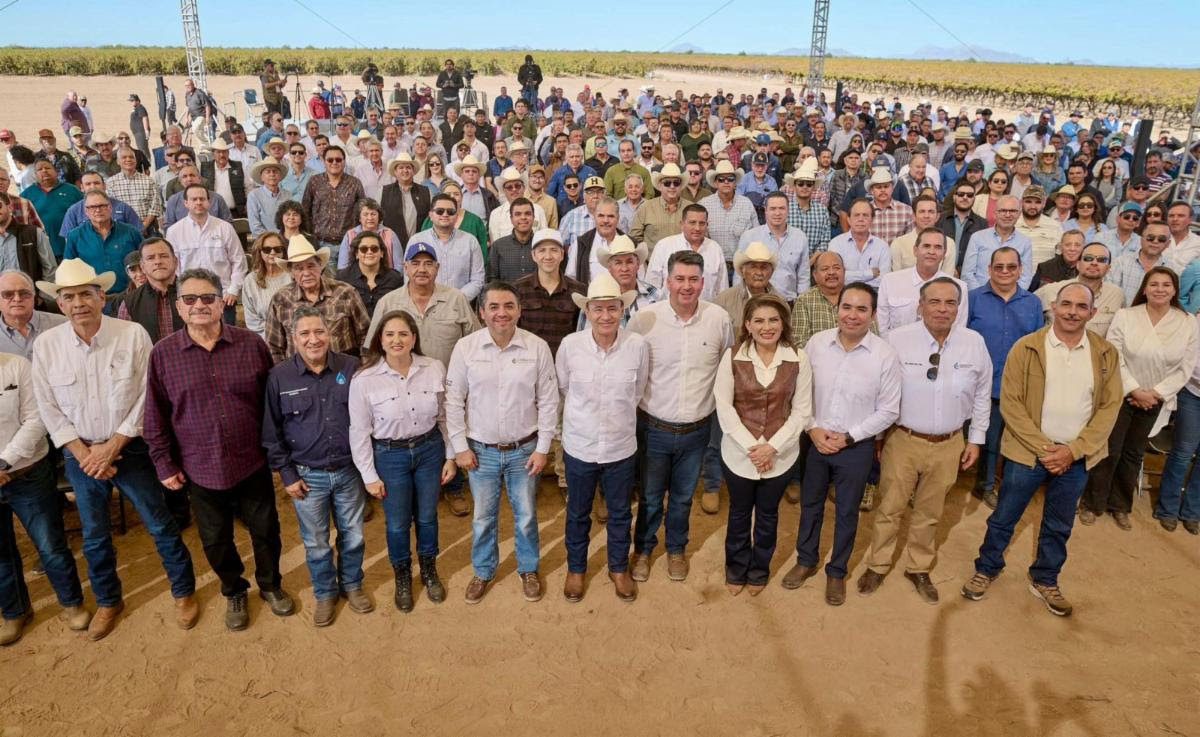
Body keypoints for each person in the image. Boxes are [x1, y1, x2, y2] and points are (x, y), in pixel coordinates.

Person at [31, 259, 198, 640]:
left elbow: (145, 396)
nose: (78, 304)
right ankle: (108, 600)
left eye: (86, 295)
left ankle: (183, 591)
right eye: (69, 297)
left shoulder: (132, 334)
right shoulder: (47, 346)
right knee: (94, 534)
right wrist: (85, 453)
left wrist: (113, 446)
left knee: (160, 523)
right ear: (59, 304)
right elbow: (48, 407)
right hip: (81, 456)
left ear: (102, 296)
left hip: (130, 448)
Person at [144, 267, 292, 631]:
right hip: (200, 467)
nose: (199, 305)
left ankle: (271, 585)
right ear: (179, 307)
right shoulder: (163, 355)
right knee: (215, 540)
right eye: (190, 299)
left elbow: (272, 407)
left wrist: (278, 453)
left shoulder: (251, 344)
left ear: (222, 302)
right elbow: (155, 415)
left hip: (251, 461)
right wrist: (164, 463)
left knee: (266, 530)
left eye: (208, 298)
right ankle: (233, 589)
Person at [962, 282, 1121, 617]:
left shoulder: (1105, 353)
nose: (1072, 312)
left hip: (1076, 458)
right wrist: (1045, 448)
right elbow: (1011, 403)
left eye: (1081, 307)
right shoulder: (1027, 347)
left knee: (1059, 523)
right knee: (1005, 517)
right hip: (1027, 453)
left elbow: (1109, 407)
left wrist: (1074, 450)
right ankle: (987, 568)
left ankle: (1045, 578)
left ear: (1092, 313)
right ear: (1054, 307)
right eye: (1066, 304)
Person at [857, 278, 991, 603]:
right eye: (934, 302)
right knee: (890, 507)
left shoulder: (974, 342)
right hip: (903, 439)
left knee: (930, 511)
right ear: (920, 305)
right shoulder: (896, 340)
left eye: (949, 303)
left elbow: (983, 394)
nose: (942, 309)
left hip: (950, 443)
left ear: (958, 308)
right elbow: (880, 390)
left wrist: (975, 440)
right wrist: (877, 436)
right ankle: (878, 563)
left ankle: (918, 567)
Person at [781, 282, 901, 606]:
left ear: (873, 314)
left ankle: (837, 571)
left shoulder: (885, 355)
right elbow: (799, 392)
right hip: (816, 441)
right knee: (811, 504)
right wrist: (812, 429)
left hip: (856, 447)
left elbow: (889, 409)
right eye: (847, 307)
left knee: (848, 511)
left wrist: (849, 436)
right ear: (838, 309)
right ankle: (806, 560)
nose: (852, 315)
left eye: (862, 309)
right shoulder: (817, 345)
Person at [445, 281, 558, 604]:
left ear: (519, 310)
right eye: (493, 307)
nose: (501, 313)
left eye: (509, 306)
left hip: (525, 450)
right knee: (483, 517)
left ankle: (528, 568)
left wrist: (542, 448)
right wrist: (460, 448)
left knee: (525, 515)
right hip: (480, 452)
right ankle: (483, 570)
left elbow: (548, 400)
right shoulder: (466, 348)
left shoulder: (536, 347)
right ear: (481, 312)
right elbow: (453, 400)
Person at [627, 251, 734, 582]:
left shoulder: (718, 319)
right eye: (679, 279)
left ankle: (676, 550)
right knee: (649, 496)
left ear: (703, 282)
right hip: (653, 428)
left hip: (697, 430)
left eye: (693, 279)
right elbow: (630, 373)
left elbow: (727, 367)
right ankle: (643, 550)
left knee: (685, 497)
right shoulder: (645, 320)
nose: (686, 286)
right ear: (667, 281)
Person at [263, 307, 372, 626]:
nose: (314, 339)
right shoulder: (279, 377)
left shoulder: (352, 368)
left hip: (349, 471)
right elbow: (272, 433)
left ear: (331, 334)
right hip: (307, 477)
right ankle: (325, 592)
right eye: (305, 334)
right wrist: (287, 475)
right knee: (316, 542)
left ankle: (352, 585)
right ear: (293, 339)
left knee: (353, 535)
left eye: (320, 332)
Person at [350, 309, 456, 611]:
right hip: (389, 456)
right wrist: (369, 476)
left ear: (414, 338)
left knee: (427, 517)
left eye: (403, 334)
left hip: (429, 450)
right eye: (389, 334)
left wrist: (450, 456)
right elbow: (359, 432)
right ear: (380, 340)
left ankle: (429, 570)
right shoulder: (364, 379)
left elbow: (445, 415)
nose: (397, 340)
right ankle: (402, 576)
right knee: (397, 523)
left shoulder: (434, 367)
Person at [1080, 268, 1196, 530]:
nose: (1160, 289)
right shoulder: (1126, 315)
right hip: (1121, 394)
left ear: (1175, 290)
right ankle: (1092, 503)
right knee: (1109, 449)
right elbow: (1114, 353)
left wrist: (1155, 393)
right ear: (1144, 288)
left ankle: (1120, 506)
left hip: (1156, 398)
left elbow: (1186, 367)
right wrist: (1134, 389)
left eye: (1166, 285)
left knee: (1133, 453)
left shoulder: (1187, 322)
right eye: (1154, 284)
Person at [557, 274, 648, 602]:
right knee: (578, 511)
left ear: (623, 309)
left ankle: (618, 567)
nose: (606, 315)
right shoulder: (571, 346)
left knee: (621, 512)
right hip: (579, 445)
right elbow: (565, 389)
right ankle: (576, 568)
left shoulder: (637, 345)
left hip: (621, 447)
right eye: (598, 309)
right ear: (588, 312)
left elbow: (637, 392)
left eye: (613, 308)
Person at [715, 294, 813, 595]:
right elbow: (724, 405)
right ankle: (736, 569)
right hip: (738, 454)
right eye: (759, 320)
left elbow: (802, 411)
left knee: (768, 517)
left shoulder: (798, 357)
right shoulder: (733, 356)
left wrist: (772, 447)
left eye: (773, 319)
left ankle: (759, 571)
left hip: (780, 456)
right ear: (747, 324)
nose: (766, 326)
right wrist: (753, 448)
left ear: (783, 323)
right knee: (740, 514)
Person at [0, 348, 88, 645]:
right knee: (0, 554)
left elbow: (36, 420)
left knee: (50, 545)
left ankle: (71, 602)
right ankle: (14, 612)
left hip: (27, 474)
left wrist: (4, 463)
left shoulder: (17, 366)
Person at [967, 247, 1044, 508]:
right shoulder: (973, 299)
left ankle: (1001, 486)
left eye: (1011, 267)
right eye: (998, 266)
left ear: (1021, 270)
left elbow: (1038, 344)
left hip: (1016, 384)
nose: (1004, 272)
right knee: (986, 439)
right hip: (977, 383)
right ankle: (983, 484)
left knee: (1007, 440)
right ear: (989, 269)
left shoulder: (1033, 303)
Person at [265, 236, 370, 363]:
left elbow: (366, 336)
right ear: (291, 272)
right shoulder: (280, 299)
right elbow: (274, 347)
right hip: (298, 373)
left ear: (320, 266)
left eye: (311, 266)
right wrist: (286, 377)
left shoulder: (345, 292)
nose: (306, 273)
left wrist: (363, 369)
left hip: (342, 370)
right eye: (299, 268)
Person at [164, 185, 244, 324]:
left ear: (209, 202)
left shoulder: (225, 228)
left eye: (202, 199)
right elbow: (173, 268)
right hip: (190, 301)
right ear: (186, 203)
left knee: (226, 342)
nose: (198, 202)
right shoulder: (174, 232)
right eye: (194, 199)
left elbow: (238, 260)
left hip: (223, 297)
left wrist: (233, 290)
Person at [1155, 316, 1200, 534]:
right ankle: (1167, 509)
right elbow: (1188, 360)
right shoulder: (1194, 322)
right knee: (1183, 453)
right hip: (1192, 393)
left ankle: (1192, 513)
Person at [877, 227, 967, 335]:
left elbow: (958, 331)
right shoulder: (890, 281)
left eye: (938, 247)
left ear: (944, 253)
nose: (931, 251)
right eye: (926, 246)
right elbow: (882, 330)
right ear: (915, 250)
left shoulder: (959, 287)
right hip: (896, 349)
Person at [64, 191, 143, 295]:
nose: (97, 210)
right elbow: (69, 269)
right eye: (92, 207)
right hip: (94, 297)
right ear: (86, 211)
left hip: (131, 294)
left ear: (110, 207)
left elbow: (145, 260)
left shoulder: (131, 232)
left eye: (102, 206)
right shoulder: (75, 236)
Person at [734, 192, 809, 301]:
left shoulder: (800, 237)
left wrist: (802, 303)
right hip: (757, 303)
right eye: (773, 209)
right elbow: (739, 275)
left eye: (782, 208)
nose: (777, 213)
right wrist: (741, 301)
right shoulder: (749, 236)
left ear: (788, 210)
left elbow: (803, 276)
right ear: (766, 211)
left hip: (789, 302)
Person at [645, 204, 729, 301]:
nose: (697, 228)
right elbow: (651, 287)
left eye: (702, 223)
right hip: (668, 312)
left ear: (707, 225)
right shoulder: (664, 246)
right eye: (692, 223)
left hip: (706, 313)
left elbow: (722, 289)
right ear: (682, 224)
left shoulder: (715, 248)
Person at [302, 145, 365, 267]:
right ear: (324, 161)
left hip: (348, 244)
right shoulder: (314, 182)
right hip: (321, 244)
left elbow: (361, 213)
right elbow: (305, 210)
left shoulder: (354, 183)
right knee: (326, 284)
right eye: (330, 160)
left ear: (344, 161)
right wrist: (311, 239)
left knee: (346, 283)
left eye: (338, 159)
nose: (334, 162)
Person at [960, 195, 1034, 290]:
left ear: (1019, 214)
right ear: (995, 213)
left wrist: (1012, 298)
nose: (1007, 215)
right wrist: (982, 296)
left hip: (1011, 301)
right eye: (1003, 210)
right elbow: (967, 274)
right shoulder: (977, 237)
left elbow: (1025, 277)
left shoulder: (1025, 242)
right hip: (980, 297)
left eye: (1012, 211)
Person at [699, 160, 758, 272]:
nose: (726, 182)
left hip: (741, 266)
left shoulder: (746, 204)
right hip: (712, 265)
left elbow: (755, 236)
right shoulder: (704, 204)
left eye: (730, 179)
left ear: (735, 183)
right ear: (716, 183)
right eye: (721, 179)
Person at [22, 159, 83, 259]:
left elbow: (85, 216)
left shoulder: (72, 190)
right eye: (40, 169)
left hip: (72, 248)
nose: (44, 171)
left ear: (56, 171)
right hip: (42, 251)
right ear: (35, 175)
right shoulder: (27, 194)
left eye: (47, 168)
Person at [0, 270, 65, 359]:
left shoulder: (63, 325)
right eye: (8, 294)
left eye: (24, 293)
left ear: (34, 296)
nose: (17, 299)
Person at [337, 230, 403, 317]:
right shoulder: (342, 278)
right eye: (364, 249)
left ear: (382, 253)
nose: (369, 252)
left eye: (374, 249)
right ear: (357, 254)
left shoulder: (395, 278)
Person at [828, 199, 891, 288]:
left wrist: (849, 275)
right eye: (856, 215)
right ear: (849, 219)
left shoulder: (882, 246)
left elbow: (884, 280)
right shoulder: (836, 243)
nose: (861, 219)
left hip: (874, 296)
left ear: (872, 220)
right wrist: (870, 274)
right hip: (843, 295)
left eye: (865, 215)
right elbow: (836, 277)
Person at [241, 232, 291, 338]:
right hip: (264, 338)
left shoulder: (293, 276)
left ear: (283, 251)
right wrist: (274, 336)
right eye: (267, 249)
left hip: (294, 336)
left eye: (277, 249)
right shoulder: (250, 280)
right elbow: (252, 321)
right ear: (259, 251)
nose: (273, 252)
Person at [0, 192, 57, 284]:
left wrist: (43, 296)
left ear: (10, 207)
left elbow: (50, 269)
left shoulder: (34, 233)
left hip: (30, 295)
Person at [1108, 221, 1170, 306]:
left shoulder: (1173, 269)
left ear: (1168, 244)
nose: (1155, 241)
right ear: (1141, 239)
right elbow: (1110, 297)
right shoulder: (1120, 263)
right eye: (1150, 237)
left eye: (1161, 239)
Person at [890, 196, 956, 273]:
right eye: (922, 211)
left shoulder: (949, 243)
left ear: (937, 217)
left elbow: (948, 279)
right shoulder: (899, 244)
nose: (926, 216)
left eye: (931, 212)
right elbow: (895, 277)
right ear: (914, 216)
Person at [380, 153, 432, 246]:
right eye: (401, 167)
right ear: (395, 172)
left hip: (421, 245)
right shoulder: (383, 192)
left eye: (408, 167)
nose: (405, 170)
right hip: (391, 246)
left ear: (413, 171)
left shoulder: (426, 192)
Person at [630, 164, 686, 249]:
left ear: (681, 186)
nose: (672, 186)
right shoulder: (646, 207)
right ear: (660, 185)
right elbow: (634, 238)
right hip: (652, 261)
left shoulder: (690, 208)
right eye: (667, 183)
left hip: (684, 260)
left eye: (676, 183)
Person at [247, 158, 291, 238]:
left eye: (275, 171)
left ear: (280, 176)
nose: (272, 174)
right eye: (268, 172)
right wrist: (273, 240)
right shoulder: (254, 196)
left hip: (286, 239)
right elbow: (255, 226)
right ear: (262, 177)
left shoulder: (288, 195)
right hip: (263, 241)